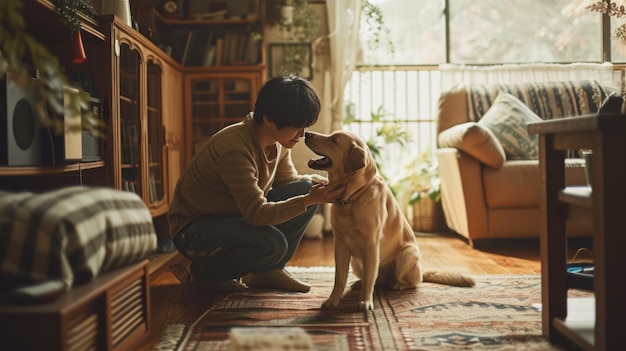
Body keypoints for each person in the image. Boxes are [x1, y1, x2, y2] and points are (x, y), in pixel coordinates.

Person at [167, 73, 345, 293]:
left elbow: (288, 182)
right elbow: (257, 214)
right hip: (193, 231)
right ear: (269, 119)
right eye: (297, 127)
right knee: (272, 243)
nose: (302, 134)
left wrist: (323, 185)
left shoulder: (278, 142)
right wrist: (310, 199)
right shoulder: (235, 149)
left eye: (305, 127)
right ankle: (202, 273)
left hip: (233, 217)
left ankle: (267, 272)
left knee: (307, 188)